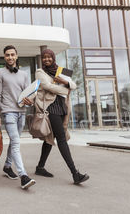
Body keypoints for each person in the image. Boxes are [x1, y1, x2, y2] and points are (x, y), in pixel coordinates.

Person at [34, 49, 89, 185]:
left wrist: (65, 81)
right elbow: (48, 87)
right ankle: (75, 173)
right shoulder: (40, 72)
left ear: (53, 58)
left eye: (49, 57)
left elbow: (74, 85)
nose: (46, 59)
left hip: (63, 107)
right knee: (61, 139)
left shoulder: (61, 70)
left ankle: (40, 167)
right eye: (44, 57)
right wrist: (66, 89)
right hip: (51, 108)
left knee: (49, 139)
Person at [0, 45, 36, 190]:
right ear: (4, 57)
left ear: (16, 56)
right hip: (8, 112)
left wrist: (30, 99)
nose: (10, 57)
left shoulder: (24, 74)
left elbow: (28, 92)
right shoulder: (0, 74)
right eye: (7, 55)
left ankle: (7, 166)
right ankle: (23, 176)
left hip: (21, 112)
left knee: (13, 141)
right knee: (16, 142)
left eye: (12, 55)